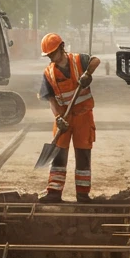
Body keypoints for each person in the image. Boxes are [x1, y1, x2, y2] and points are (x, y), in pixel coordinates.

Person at [39, 33, 100, 203]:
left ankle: (82, 194)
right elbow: (51, 99)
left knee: (83, 154)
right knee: (58, 154)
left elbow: (96, 60)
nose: (51, 57)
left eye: (53, 53)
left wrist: (88, 74)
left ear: (62, 47)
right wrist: (58, 117)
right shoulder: (49, 73)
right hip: (63, 119)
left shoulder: (79, 60)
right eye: (48, 55)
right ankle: (54, 193)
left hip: (83, 116)